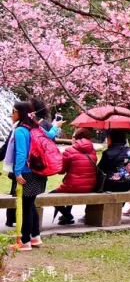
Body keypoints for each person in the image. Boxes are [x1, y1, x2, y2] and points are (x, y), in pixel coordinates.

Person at [11, 101, 62, 251]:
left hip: (27, 173)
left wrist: (17, 172)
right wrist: (55, 126)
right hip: (39, 172)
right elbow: (51, 135)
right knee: (30, 204)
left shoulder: (21, 130)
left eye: (14, 111)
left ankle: (25, 242)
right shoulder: (36, 127)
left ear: (20, 113)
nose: (11, 114)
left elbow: (21, 153)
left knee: (26, 207)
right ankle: (35, 237)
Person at [53, 128, 97, 225]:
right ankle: (66, 215)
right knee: (73, 185)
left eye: (73, 136)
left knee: (50, 196)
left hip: (73, 186)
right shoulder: (93, 151)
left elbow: (61, 171)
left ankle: (67, 215)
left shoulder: (69, 151)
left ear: (76, 139)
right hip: (90, 186)